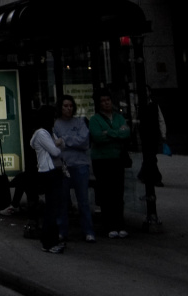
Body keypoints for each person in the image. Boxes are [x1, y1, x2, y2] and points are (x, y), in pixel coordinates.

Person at [89, 91, 132, 238]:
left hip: (116, 159)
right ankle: (109, 225)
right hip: (101, 160)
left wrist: (108, 133)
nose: (106, 103)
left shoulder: (118, 117)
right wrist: (116, 134)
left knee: (118, 192)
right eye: (103, 101)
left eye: (108, 100)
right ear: (99, 104)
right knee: (106, 192)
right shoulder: (95, 119)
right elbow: (97, 137)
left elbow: (126, 133)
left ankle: (120, 223)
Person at [53, 94, 96, 243]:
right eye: (65, 106)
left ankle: (88, 231)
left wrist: (65, 140)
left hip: (80, 164)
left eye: (71, 106)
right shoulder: (56, 124)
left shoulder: (80, 122)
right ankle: (62, 231)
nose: (68, 108)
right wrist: (72, 141)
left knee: (83, 201)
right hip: (64, 165)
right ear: (60, 107)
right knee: (63, 200)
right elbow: (55, 144)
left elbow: (84, 141)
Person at [30, 105, 65, 253]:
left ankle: (52, 239)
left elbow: (60, 145)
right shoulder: (42, 133)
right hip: (49, 171)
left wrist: (58, 143)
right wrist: (58, 143)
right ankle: (49, 242)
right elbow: (56, 150)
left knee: (54, 207)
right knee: (51, 208)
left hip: (53, 171)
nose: (55, 120)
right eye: (54, 117)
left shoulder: (47, 132)